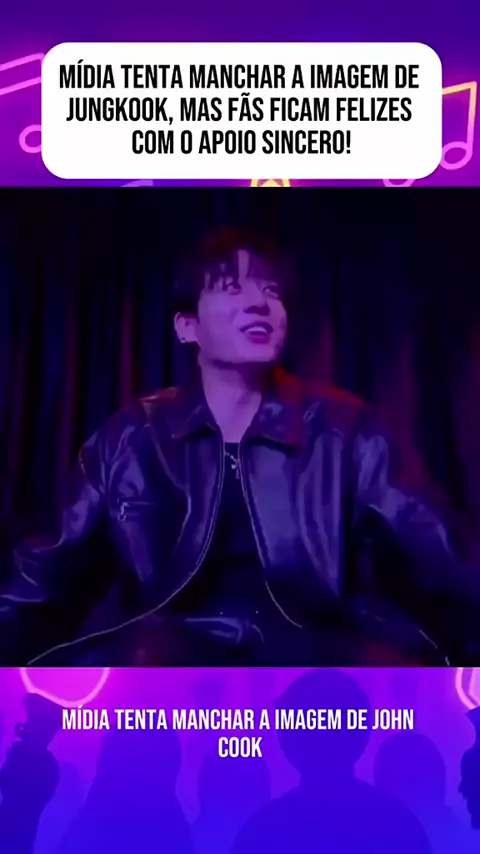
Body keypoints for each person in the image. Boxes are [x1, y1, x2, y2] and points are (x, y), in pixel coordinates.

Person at [1, 227, 480, 667]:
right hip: (164, 661)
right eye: (232, 288)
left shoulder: (344, 429)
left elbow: (441, 558)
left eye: (272, 292)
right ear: (187, 327)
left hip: (321, 656)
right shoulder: (131, 438)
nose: (259, 304)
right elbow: (43, 578)